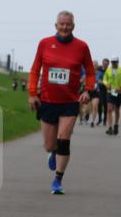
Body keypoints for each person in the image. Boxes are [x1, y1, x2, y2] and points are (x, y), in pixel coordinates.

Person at [28, 11, 95, 195]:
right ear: (55, 25)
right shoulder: (44, 43)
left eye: (68, 24)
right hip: (48, 100)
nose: (65, 27)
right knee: (49, 145)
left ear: (73, 26)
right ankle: (53, 152)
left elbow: (90, 72)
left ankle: (58, 179)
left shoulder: (82, 47)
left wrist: (87, 91)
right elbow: (35, 70)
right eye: (61, 24)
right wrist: (32, 94)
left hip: (70, 101)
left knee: (64, 139)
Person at [102, 57, 121, 136]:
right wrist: (106, 84)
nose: (114, 63)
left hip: (119, 93)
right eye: (112, 62)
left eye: (115, 62)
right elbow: (104, 79)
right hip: (110, 92)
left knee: (117, 109)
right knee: (109, 109)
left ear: (118, 62)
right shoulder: (108, 70)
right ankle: (110, 127)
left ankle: (116, 125)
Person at [95, 59, 109, 127]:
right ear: (102, 63)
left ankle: (105, 120)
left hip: (107, 89)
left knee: (106, 104)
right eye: (104, 63)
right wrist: (100, 81)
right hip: (100, 89)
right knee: (100, 104)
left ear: (108, 64)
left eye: (106, 64)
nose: (105, 65)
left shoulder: (109, 71)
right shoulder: (99, 70)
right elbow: (97, 78)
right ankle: (100, 119)